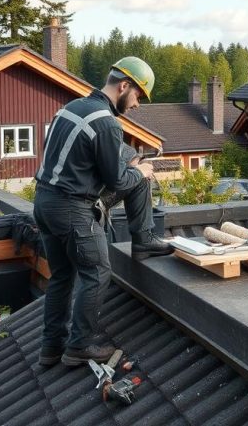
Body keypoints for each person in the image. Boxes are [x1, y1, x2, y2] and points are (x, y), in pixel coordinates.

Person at [33, 56, 173, 367]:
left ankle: (50, 348)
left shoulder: (70, 107)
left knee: (61, 276)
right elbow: (118, 181)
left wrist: (129, 165)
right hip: (71, 208)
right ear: (124, 85)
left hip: (44, 202)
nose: (137, 104)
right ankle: (80, 345)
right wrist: (143, 171)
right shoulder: (107, 122)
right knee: (96, 272)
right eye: (138, 96)